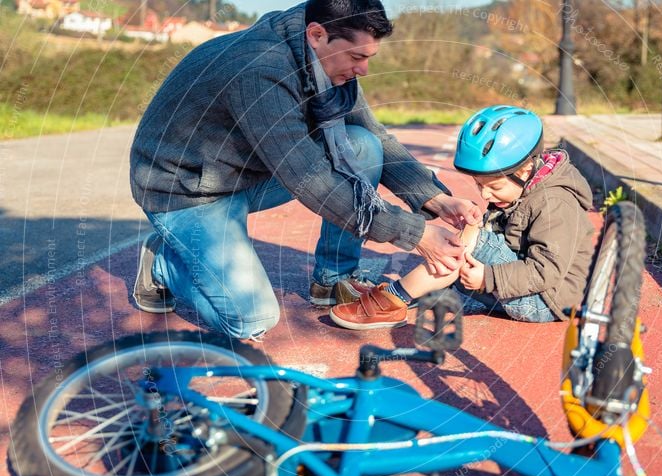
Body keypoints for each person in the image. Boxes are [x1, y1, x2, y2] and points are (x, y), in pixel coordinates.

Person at [129, 0, 480, 339]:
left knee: (362, 146)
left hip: (240, 173)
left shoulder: (323, 52)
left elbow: (373, 133)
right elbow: (311, 180)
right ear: (316, 35)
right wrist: (416, 234)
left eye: (369, 57)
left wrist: (433, 199)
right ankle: (162, 262)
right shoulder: (261, 72)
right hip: (184, 191)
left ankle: (334, 278)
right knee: (251, 319)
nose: (364, 70)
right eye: (357, 57)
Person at [330, 105, 596, 330]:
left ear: (525, 170)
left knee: (469, 242)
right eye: (480, 185)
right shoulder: (524, 186)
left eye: (494, 186)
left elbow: (546, 271)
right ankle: (403, 294)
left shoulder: (555, 203)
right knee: (469, 236)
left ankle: (394, 299)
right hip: (524, 288)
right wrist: (482, 223)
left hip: (544, 301)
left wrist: (488, 277)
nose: (486, 195)